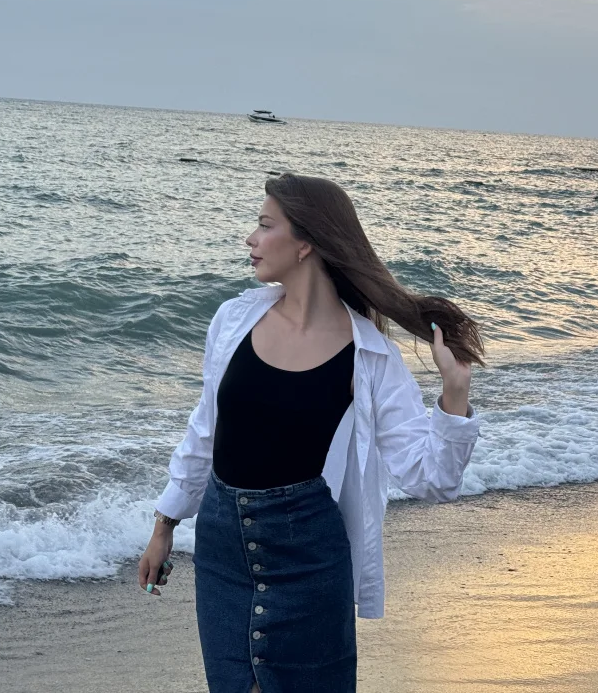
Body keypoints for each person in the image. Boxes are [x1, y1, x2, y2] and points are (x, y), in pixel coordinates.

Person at [137, 172, 484, 692]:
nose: (251, 239)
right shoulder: (233, 320)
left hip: (308, 557)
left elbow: (431, 478)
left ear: (305, 243)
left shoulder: (371, 355)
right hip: (221, 548)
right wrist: (165, 524)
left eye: (264, 225)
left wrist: (454, 394)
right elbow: (204, 431)